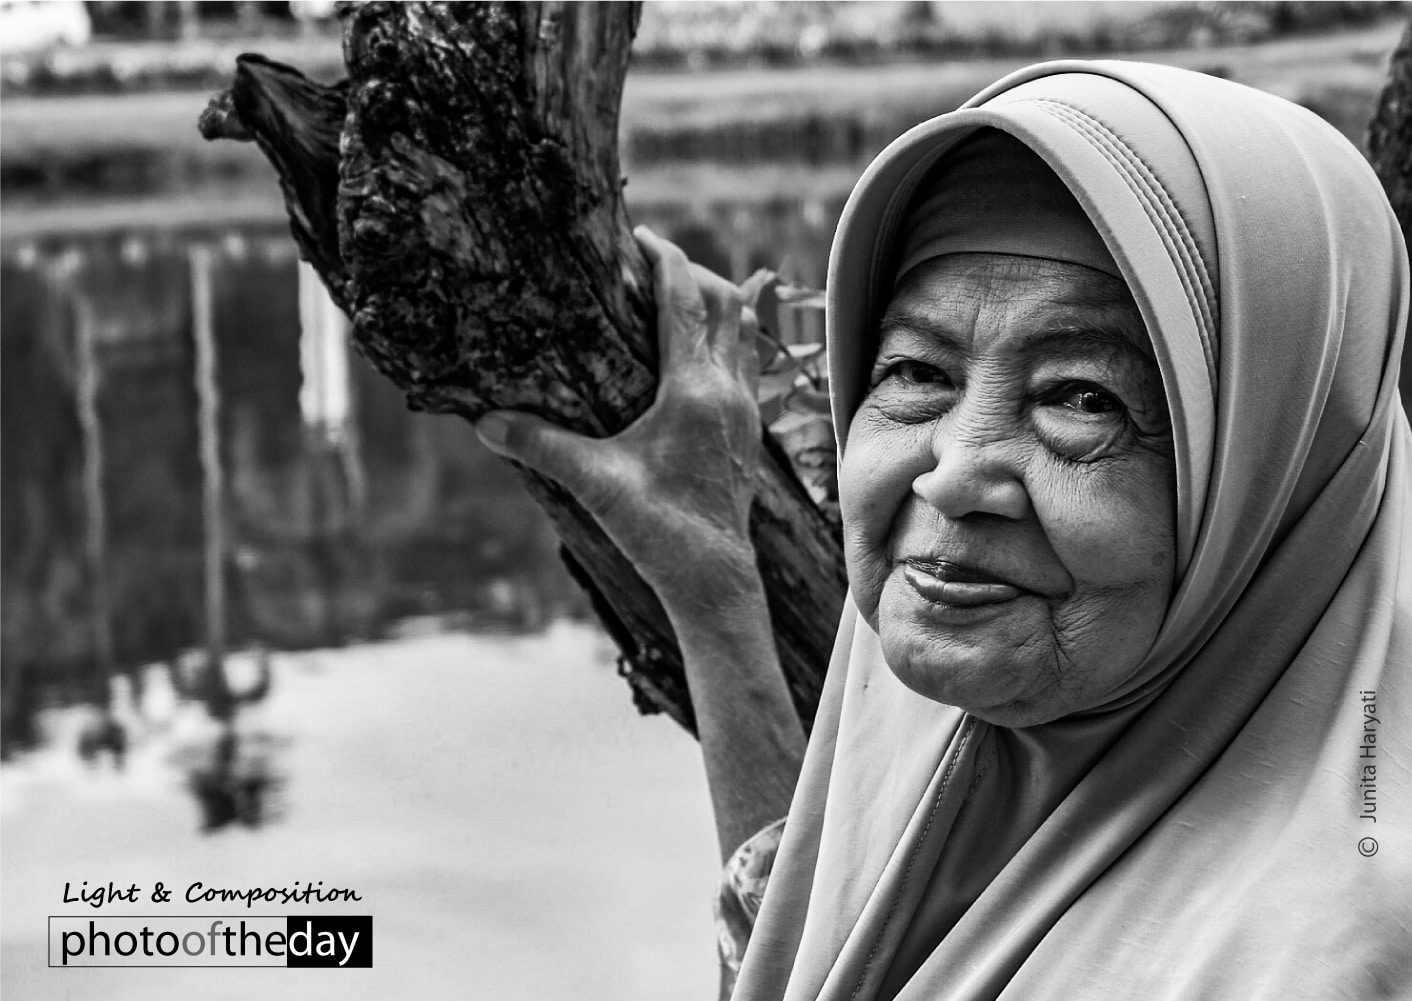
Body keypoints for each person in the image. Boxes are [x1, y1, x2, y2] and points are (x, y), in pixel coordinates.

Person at [474, 59, 1412, 999]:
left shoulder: (1317, 961)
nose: (955, 472)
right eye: (917, 371)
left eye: (1081, 398)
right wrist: (715, 596)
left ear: (1271, 470)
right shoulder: (977, 711)